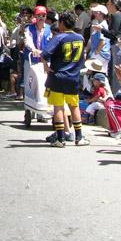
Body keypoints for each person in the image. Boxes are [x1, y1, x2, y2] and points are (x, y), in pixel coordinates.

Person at [40, 10, 89, 147]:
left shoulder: (59, 38)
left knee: (58, 107)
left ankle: (60, 138)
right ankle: (79, 137)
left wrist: (45, 66)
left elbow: (44, 54)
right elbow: (83, 58)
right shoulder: (80, 38)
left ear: (61, 23)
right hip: (73, 77)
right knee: (74, 106)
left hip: (57, 76)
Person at [87, 4, 111, 71]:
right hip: (101, 54)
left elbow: (102, 41)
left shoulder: (102, 25)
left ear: (101, 14)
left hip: (100, 54)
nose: (94, 14)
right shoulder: (101, 24)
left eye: (96, 12)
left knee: (92, 73)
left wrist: (96, 53)